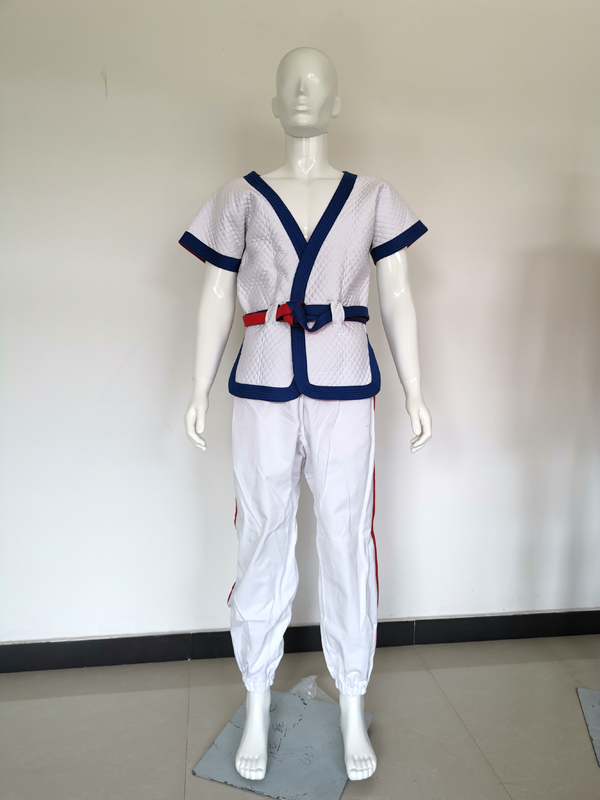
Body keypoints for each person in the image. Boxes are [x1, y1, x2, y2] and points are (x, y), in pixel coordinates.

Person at [181, 46, 432, 783]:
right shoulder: (240, 198)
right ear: (272, 102)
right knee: (262, 534)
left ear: (336, 104)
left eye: (315, 83)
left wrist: (416, 389)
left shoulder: (374, 198)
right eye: (289, 83)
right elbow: (215, 295)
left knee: (347, 538)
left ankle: (352, 700)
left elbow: (398, 297)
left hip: (344, 384)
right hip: (262, 381)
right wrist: (198, 387)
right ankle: (257, 699)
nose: (301, 92)